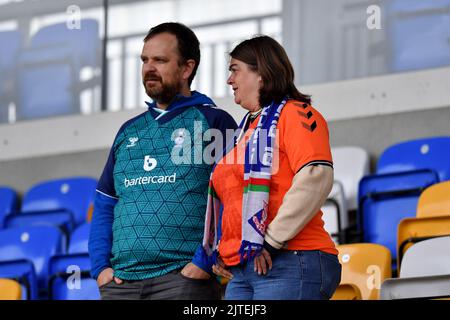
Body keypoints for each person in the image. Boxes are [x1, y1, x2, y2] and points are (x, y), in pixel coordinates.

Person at [88, 22, 237, 300]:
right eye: (145, 60)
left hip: (183, 281)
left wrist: (203, 263)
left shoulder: (215, 122)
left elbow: (232, 200)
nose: (148, 68)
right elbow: (105, 203)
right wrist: (100, 270)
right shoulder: (128, 131)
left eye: (160, 60)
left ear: (186, 68)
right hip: (120, 285)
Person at [202, 35, 342, 300]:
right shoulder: (243, 131)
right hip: (244, 269)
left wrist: (271, 242)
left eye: (234, 70)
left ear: (261, 74)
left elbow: (316, 177)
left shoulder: (296, 113)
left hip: (292, 258)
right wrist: (224, 247)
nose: (229, 80)